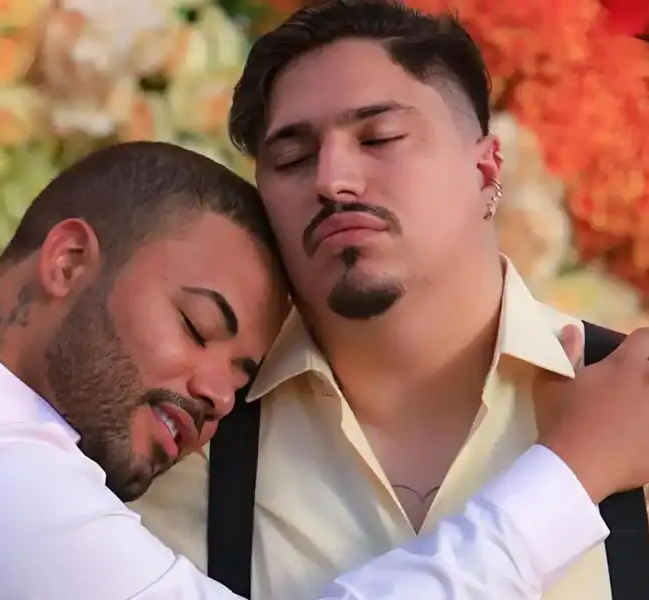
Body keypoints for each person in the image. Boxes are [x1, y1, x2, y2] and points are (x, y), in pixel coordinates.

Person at [0, 140, 618, 600]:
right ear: (70, 259)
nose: (217, 394)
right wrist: (573, 472)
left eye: (243, 376)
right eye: (196, 326)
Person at [129, 3, 649, 600]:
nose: (332, 179)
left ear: (485, 170)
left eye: (380, 138)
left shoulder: (633, 397)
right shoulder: (189, 438)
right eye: (293, 158)